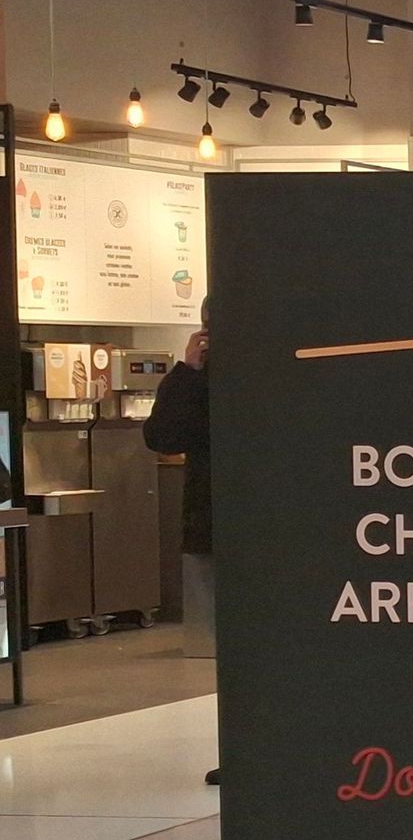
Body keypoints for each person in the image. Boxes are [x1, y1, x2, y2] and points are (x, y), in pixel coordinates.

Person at [143, 310, 218, 787]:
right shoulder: (198, 378)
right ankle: (240, 746)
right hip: (215, 523)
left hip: (265, 528)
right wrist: (187, 371)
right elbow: (163, 436)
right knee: (228, 651)